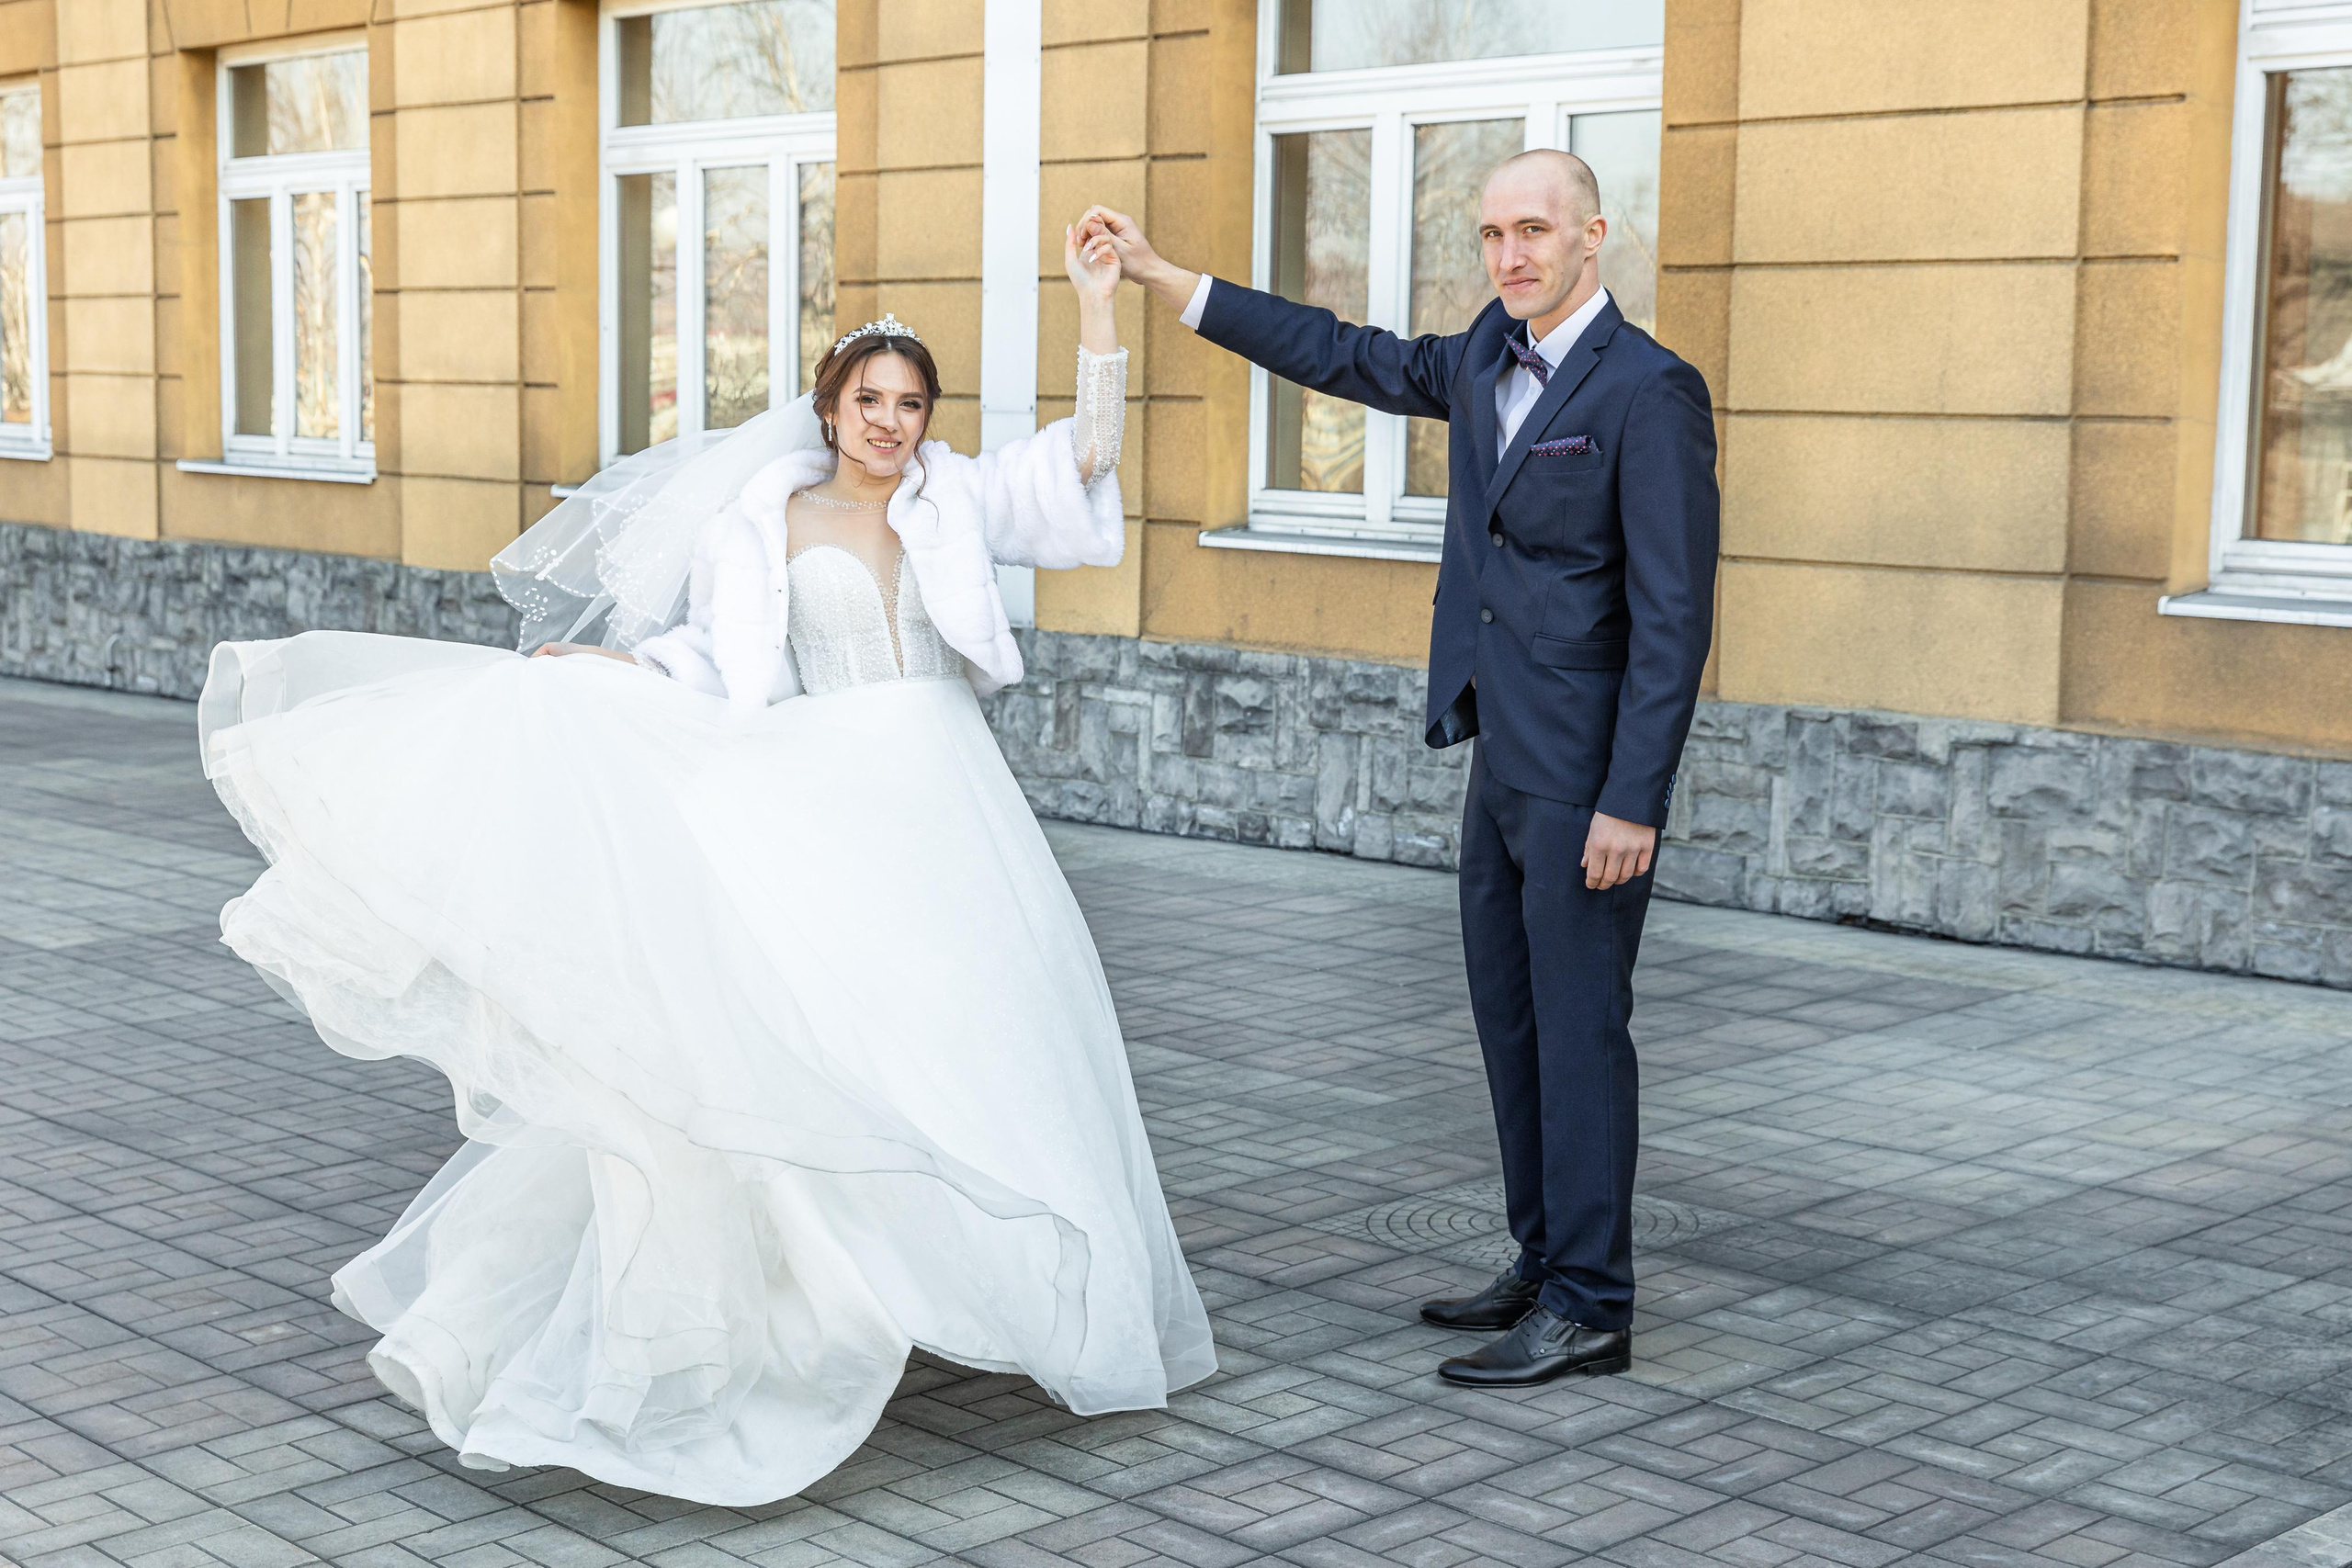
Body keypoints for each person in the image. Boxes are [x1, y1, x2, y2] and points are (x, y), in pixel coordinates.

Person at [195, 224, 1215, 1505]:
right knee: (839, 1043)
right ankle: (856, 1289)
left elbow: (1091, 455)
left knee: (988, 1034)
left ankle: (1021, 1294)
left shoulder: (956, 496)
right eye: (870, 401)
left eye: (910, 405)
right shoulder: (765, 519)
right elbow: (722, 659)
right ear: (832, 407)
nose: (889, 424)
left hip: (951, 799)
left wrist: (1098, 305)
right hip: (829, 795)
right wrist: (609, 667)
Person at [1079, 147, 1718, 1388]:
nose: (1510, 256)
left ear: (1594, 235)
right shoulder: (1483, 354)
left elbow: (1674, 615)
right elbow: (1339, 352)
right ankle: (1544, 1257)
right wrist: (1162, 276)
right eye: (1492, 235)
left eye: (1534, 231)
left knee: (1581, 1032)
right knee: (1512, 1022)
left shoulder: (1652, 390)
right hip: (1501, 756)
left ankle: (1593, 1303)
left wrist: (1633, 799)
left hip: (1587, 778)